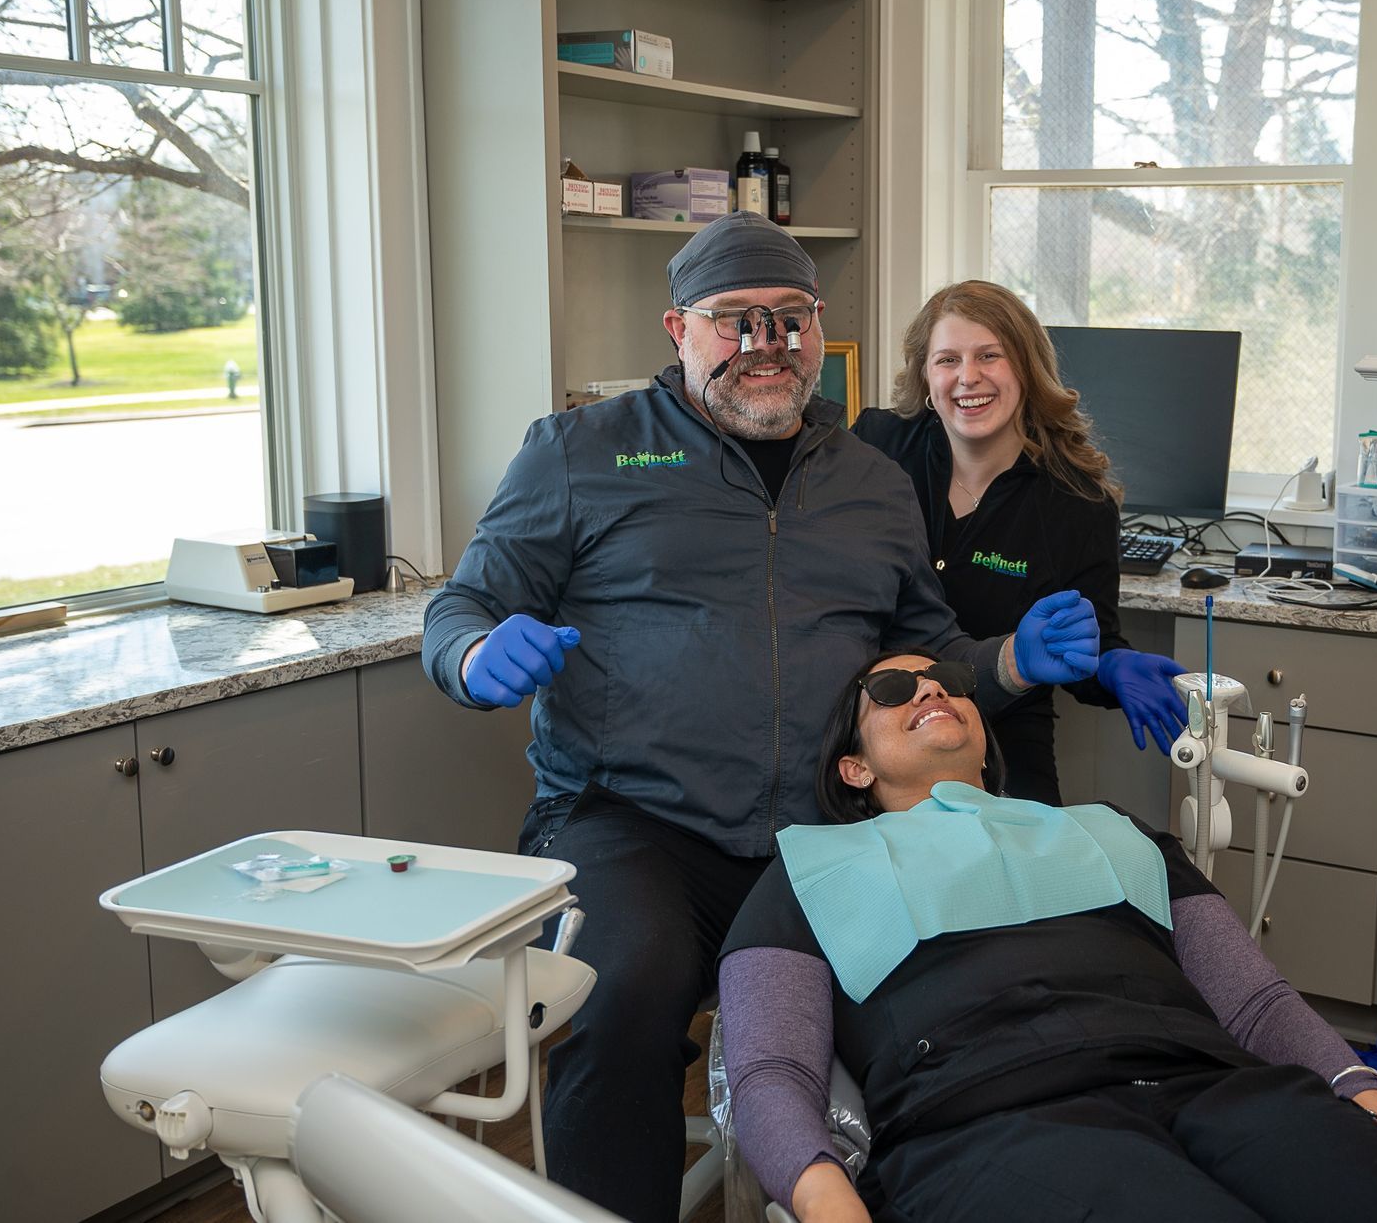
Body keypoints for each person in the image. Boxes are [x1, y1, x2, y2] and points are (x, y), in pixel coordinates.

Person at [421, 213, 1103, 1223]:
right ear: (677, 329)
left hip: (826, 832)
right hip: (634, 823)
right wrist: (478, 655)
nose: (764, 345)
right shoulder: (580, 453)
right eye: (734, 321)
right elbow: (459, 606)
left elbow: (927, 649)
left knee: (952, 1000)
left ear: (819, 329)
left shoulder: (871, 481)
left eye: (788, 320)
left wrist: (1004, 663)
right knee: (622, 999)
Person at [718, 650, 1377, 1223]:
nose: (931, 688)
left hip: (1215, 1088)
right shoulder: (808, 869)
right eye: (892, 689)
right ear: (855, 770)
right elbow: (772, 1071)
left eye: (951, 682)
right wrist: (830, 1206)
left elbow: (1259, 1006)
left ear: (987, 740)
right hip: (995, 1120)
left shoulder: (1113, 831)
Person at [851, 281, 1186, 804]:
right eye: (947, 360)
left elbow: (1081, 642)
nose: (968, 377)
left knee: (1031, 870)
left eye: (990, 356)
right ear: (924, 374)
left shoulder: (1078, 501)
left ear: (1027, 367)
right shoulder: (875, 447)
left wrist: (1110, 664)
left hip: (1002, 731)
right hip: (874, 726)